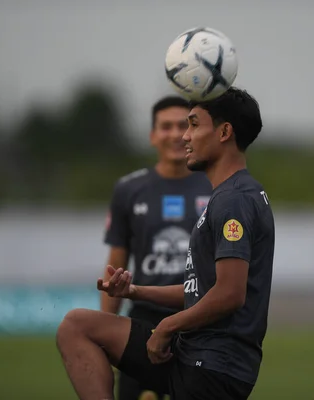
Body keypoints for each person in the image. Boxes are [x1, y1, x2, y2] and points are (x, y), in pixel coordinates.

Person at [56, 87, 275, 400]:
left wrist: (167, 326)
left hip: (212, 366)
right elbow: (199, 290)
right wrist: (135, 291)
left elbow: (229, 294)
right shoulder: (231, 194)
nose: (184, 136)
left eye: (193, 125)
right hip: (196, 353)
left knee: (77, 326)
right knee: (77, 325)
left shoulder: (233, 201)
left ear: (225, 132)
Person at [101, 96, 212, 400]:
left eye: (184, 125)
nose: (175, 134)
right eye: (166, 126)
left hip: (199, 320)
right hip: (144, 320)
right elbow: (115, 267)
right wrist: (108, 334)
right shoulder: (128, 189)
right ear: (152, 135)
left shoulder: (215, 185)